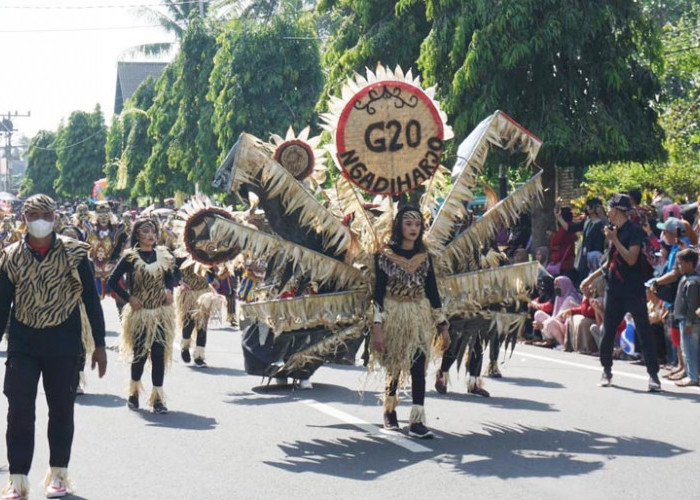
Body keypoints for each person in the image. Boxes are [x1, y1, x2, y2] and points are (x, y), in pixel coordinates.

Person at [0, 194, 107, 500]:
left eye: (45, 214)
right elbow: (2, 304)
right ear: (24, 219)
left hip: (64, 342)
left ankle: (57, 474)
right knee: (19, 410)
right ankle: (17, 481)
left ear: (55, 218)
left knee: (61, 409)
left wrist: (99, 344)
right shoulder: (11, 257)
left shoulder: (74, 253)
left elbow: (90, 300)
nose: (39, 220)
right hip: (24, 343)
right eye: (33, 214)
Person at [370, 205, 450, 439]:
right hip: (394, 314)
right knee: (394, 364)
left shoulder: (425, 257)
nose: (413, 228)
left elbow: (433, 292)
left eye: (417, 224)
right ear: (399, 226)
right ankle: (390, 410)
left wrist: (442, 327)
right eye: (408, 223)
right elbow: (378, 293)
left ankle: (416, 421)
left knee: (418, 365)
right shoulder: (384, 255)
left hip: (418, 314)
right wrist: (377, 327)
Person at [581, 194, 661, 391]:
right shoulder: (612, 231)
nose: (607, 212)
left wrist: (615, 240)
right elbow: (610, 261)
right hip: (614, 288)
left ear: (616, 210)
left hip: (632, 289)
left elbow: (631, 259)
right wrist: (590, 278)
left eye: (609, 208)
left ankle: (653, 376)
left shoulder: (634, 231)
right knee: (607, 331)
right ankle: (606, 370)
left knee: (644, 331)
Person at [108, 219, 175, 414]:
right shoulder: (130, 257)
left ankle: (158, 399)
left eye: (153, 231)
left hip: (160, 314)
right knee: (140, 355)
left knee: (158, 354)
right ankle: (133, 392)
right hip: (140, 315)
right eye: (146, 231)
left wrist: (169, 290)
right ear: (137, 235)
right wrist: (129, 299)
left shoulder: (163, 255)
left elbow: (170, 276)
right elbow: (112, 281)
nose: (151, 235)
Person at [672, 248, 700, 387]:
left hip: (691, 322)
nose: (679, 266)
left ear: (689, 264)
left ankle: (693, 376)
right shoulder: (686, 279)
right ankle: (692, 374)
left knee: (690, 349)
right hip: (685, 320)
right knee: (687, 348)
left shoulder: (693, 282)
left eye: (681, 263)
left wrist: (689, 322)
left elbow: (692, 305)